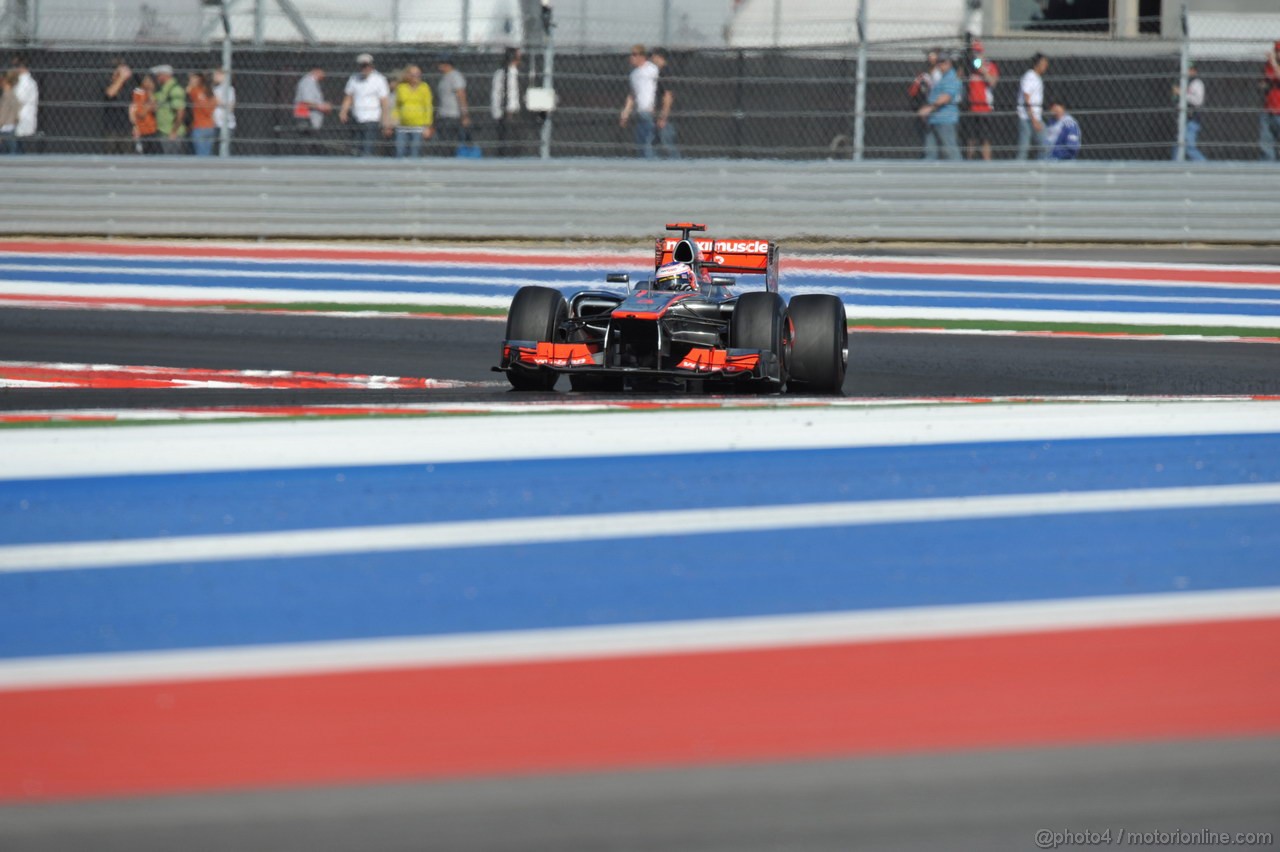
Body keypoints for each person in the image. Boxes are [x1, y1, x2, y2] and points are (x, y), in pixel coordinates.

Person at [340, 53, 391, 157]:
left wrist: (385, 120)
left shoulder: (379, 79)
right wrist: (343, 111)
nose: (365, 68)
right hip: (356, 118)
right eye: (362, 66)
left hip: (371, 119)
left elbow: (384, 101)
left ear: (371, 66)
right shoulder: (354, 78)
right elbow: (348, 97)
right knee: (355, 150)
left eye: (367, 65)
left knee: (367, 149)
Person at [919, 52, 961, 161]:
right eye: (939, 63)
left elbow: (946, 97)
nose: (941, 65)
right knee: (930, 152)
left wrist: (929, 109)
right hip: (934, 119)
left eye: (944, 62)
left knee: (950, 152)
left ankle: (960, 174)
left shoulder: (951, 77)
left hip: (945, 119)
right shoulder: (941, 77)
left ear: (949, 63)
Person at [619, 44, 659, 159]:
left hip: (650, 112)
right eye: (631, 55)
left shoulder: (652, 69)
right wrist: (625, 113)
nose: (632, 58)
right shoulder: (634, 74)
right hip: (640, 112)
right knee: (641, 144)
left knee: (648, 144)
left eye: (635, 55)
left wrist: (656, 106)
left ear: (642, 56)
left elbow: (659, 88)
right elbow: (632, 95)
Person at [963, 40, 999, 160]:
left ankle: (987, 164)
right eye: (974, 52)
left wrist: (983, 70)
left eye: (978, 52)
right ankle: (969, 163)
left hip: (985, 108)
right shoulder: (968, 68)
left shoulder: (990, 66)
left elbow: (993, 82)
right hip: (972, 107)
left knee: (985, 139)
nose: (976, 55)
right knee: (971, 139)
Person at [391, 64, 434, 158]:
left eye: (417, 74)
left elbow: (428, 107)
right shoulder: (401, 87)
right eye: (412, 74)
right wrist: (393, 120)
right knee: (400, 151)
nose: (415, 77)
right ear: (407, 75)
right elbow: (397, 106)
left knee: (414, 152)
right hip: (402, 125)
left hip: (418, 125)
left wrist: (427, 126)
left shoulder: (424, 87)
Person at [490, 47, 524, 157]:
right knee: (508, 145)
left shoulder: (505, 73)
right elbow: (499, 95)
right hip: (508, 113)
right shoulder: (507, 74)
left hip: (510, 113)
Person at [434, 55, 470, 155]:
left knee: (449, 144)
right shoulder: (444, 77)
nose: (438, 66)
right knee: (443, 144)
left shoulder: (455, 76)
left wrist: (464, 115)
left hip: (452, 115)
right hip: (443, 115)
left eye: (440, 63)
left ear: (447, 64)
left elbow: (461, 95)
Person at [908, 47, 940, 156]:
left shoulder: (942, 75)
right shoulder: (923, 76)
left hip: (940, 112)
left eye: (934, 56)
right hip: (927, 111)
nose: (931, 59)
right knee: (928, 143)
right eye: (930, 56)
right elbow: (913, 92)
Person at [1016, 53, 1049, 160]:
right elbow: (1027, 99)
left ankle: (1039, 169)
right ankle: (1016, 173)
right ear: (1037, 64)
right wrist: (1034, 120)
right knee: (1024, 149)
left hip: (1035, 118)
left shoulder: (1037, 78)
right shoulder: (1029, 76)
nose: (1045, 66)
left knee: (1045, 145)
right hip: (1027, 118)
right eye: (1043, 63)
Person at [649, 47, 680, 159]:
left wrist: (663, 117)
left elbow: (668, 96)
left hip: (665, 118)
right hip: (658, 117)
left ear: (659, 57)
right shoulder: (659, 72)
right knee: (657, 146)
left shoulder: (665, 72)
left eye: (653, 56)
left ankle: (679, 169)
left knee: (668, 145)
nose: (651, 59)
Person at [1171, 62, 1205, 162]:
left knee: (1188, 146)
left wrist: (1181, 93)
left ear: (1194, 71)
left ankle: (1206, 166)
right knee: (1178, 146)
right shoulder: (1183, 82)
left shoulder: (1197, 83)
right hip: (1183, 120)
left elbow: (1198, 101)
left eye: (1189, 69)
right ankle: (1174, 168)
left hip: (1192, 119)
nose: (1186, 71)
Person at [292, 66, 330, 155]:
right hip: (306, 118)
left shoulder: (312, 82)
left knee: (309, 145)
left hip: (309, 119)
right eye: (323, 72)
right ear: (316, 71)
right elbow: (306, 101)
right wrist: (322, 107)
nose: (324, 75)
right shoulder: (308, 82)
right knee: (308, 145)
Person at [151, 64, 186, 155]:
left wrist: (174, 132)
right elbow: (154, 106)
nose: (157, 78)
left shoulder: (175, 89)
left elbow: (180, 112)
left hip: (171, 133)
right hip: (163, 131)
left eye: (158, 75)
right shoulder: (163, 89)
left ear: (165, 75)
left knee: (172, 159)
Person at [103, 59, 134, 154]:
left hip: (126, 127)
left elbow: (131, 107)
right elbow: (110, 93)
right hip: (111, 128)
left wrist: (135, 125)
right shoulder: (106, 81)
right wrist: (122, 77)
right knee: (110, 153)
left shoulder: (128, 86)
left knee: (127, 154)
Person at [10, 55, 37, 154]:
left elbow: (18, 100)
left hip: (20, 120)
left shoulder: (25, 82)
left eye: (15, 66)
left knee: (14, 147)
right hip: (17, 120)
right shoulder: (23, 81)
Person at [186, 71, 217, 156]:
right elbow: (214, 104)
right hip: (210, 126)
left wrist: (192, 84)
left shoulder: (196, 91)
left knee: (201, 155)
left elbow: (187, 90)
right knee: (207, 154)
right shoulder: (210, 93)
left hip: (199, 127)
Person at [129, 73, 159, 154]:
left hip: (152, 130)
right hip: (141, 131)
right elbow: (141, 114)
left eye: (150, 81)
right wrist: (149, 106)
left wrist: (150, 96)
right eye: (146, 80)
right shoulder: (138, 92)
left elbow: (155, 109)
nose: (148, 83)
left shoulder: (152, 93)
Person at [1260, 41, 1280, 161]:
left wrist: (1272, 61)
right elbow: (1265, 80)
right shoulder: (1270, 65)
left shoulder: (1272, 64)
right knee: (1266, 144)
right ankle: (1266, 171)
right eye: (1276, 51)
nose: (1278, 54)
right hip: (1269, 109)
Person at [212, 67, 235, 153]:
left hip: (226, 124)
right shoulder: (216, 89)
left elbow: (230, 106)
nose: (214, 76)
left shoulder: (229, 89)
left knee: (224, 148)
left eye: (217, 74)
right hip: (216, 123)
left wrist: (218, 101)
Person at [0, 70, 19, 154]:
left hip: (5, 129)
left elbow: (2, 116)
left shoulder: (7, 96)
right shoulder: (13, 94)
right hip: (11, 127)